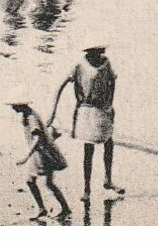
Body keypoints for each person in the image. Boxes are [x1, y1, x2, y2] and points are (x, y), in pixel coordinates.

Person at [50, 46, 124, 202]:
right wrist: (53, 113)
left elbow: (112, 81)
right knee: (88, 150)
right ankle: (87, 189)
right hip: (86, 109)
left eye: (100, 52)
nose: (98, 55)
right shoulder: (80, 65)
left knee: (108, 144)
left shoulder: (106, 63)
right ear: (89, 52)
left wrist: (110, 102)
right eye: (95, 53)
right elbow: (60, 86)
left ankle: (107, 180)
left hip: (103, 109)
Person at [11, 102, 71, 221]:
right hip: (42, 152)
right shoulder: (28, 115)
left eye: (14, 105)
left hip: (43, 154)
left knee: (33, 181)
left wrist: (26, 156)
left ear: (21, 105)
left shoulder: (31, 117)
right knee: (46, 183)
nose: (13, 108)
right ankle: (59, 208)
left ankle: (50, 209)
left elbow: (37, 138)